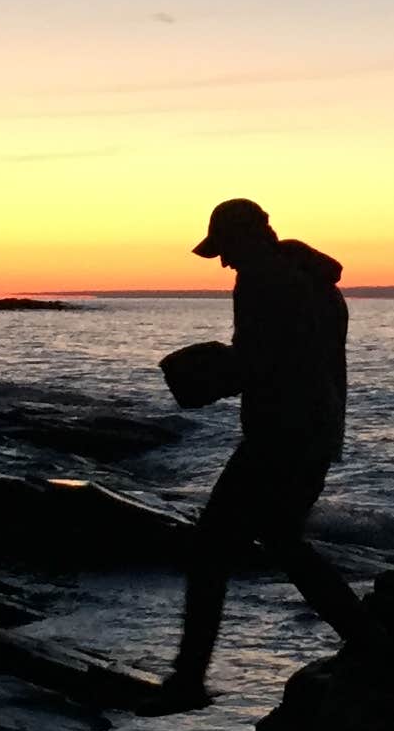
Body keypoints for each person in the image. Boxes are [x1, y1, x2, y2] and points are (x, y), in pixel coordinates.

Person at [158, 197, 371, 704]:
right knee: (283, 541)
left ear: (246, 238)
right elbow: (296, 358)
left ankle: (188, 681)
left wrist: (210, 373)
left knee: (210, 550)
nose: (224, 263)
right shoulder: (317, 281)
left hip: (279, 435)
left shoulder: (261, 281)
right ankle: (370, 642)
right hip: (318, 433)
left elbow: (265, 364)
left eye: (225, 250)